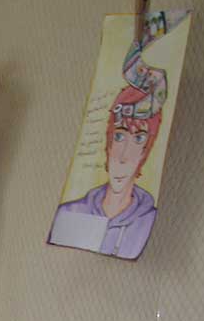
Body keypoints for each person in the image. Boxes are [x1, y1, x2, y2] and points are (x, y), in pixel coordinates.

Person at [48, 79, 165, 260]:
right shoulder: (70, 212)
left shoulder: (150, 222)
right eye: (119, 136)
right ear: (109, 143)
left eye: (138, 139)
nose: (123, 157)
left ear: (145, 151)